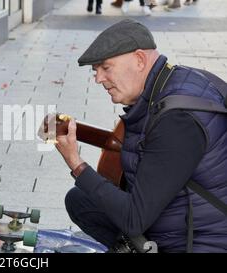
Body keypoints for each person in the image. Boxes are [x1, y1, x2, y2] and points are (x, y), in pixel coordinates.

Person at [56, 19, 227, 252]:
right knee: (80, 200)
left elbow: (134, 220)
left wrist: (75, 163)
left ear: (139, 60)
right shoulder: (179, 81)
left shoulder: (177, 119)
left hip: (199, 240)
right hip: (183, 214)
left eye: (106, 68)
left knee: (102, 200)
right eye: (95, 71)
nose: (98, 79)